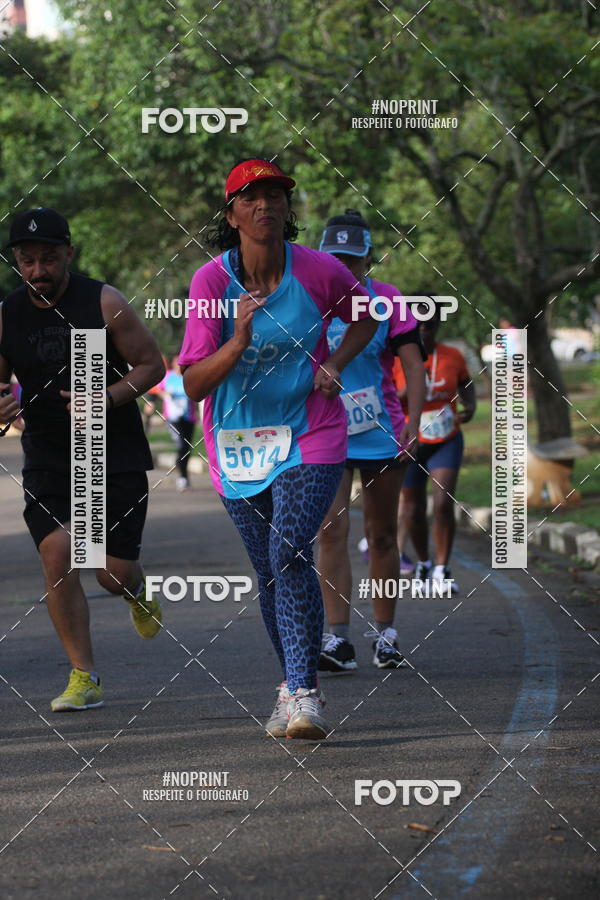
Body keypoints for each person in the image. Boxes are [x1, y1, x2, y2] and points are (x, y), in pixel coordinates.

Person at [179, 159, 378, 740]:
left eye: (275, 196)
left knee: (290, 550)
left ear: (289, 210)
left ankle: (307, 696)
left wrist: (335, 363)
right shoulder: (211, 283)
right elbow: (193, 384)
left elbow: (367, 315)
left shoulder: (317, 271)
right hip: (237, 442)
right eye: (251, 198)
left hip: (311, 432)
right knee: (270, 571)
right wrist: (238, 339)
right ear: (231, 214)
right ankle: (291, 686)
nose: (265, 206)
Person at [0, 208, 165, 712]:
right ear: (16, 262)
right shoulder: (7, 315)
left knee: (110, 574)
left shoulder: (104, 301)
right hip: (49, 453)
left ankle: (135, 588)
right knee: (58, 553)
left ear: (68, 253)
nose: (38, 271)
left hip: (108, 450)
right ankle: (84, 676)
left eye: (48, 258)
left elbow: (151, 364)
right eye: (27, 261)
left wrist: (108, 396)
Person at [315, 210, 425, 672]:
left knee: (381, 536)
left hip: (382, 433)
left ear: (368, 260)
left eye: (353, 260)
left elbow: (415, 366)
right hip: (327, 431)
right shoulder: (310, 299)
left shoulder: (391, 302)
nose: (344, 268)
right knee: (330, 531)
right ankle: (336, 639)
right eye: (335, 259)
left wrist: (415, 422)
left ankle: (386, 635)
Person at [394, 300, 476, 593]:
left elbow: (465, 382)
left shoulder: (452, 355)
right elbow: (386, 395)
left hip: (446, 438)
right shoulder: (396, 357)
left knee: (442, 504)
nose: (425, 331)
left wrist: (471, 405)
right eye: (419, 325)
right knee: (413, 509)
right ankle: (425, 562)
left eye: (431, 325)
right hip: (411, 440)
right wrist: (407, 390)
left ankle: (443, 566)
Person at [160, 353, 198, 491]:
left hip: (188, 418)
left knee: (187, 448)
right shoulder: (167, 377)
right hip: (173, 418)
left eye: (181, 363)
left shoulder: (189, 378)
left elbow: (197, 394)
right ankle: (182, 478)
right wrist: (165, 395)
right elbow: (158, 390)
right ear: (172, 364)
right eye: (177, 363)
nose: (179, 366)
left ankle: (184, 477)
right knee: (182, 445)